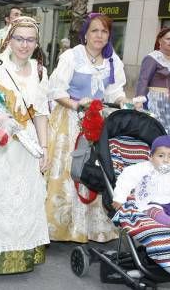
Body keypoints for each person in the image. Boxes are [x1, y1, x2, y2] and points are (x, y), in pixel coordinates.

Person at [0, 16, 50, 275]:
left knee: (24, 200)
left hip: (26, 145)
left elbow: (41, 113)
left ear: (36, 43)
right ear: (9, 39)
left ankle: (22, 255)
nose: (24, 45)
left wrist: (44, 149)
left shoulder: (40, 70)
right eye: (19, 39)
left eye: (30, 40)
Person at [46, 13, 128, 243]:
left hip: (98, 120)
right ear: (85, 34)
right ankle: (64, 226)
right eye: (94, 30)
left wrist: (122, 101)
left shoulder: (112, 60)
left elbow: (114, 91)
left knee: (95, 168)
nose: (99, 36)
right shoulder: (72, 56)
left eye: (104, 31)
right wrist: (76, 104)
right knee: (69, 169)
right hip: (70, 120)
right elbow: (56, 90)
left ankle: (91, 227)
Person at [134, 27, 170, 161]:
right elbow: (143, 79)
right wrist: (139, 100)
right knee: (158, 134)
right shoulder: (153, 58)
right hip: (156, 101)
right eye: (168, 39)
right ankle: (153, 166)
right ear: (160, 41)